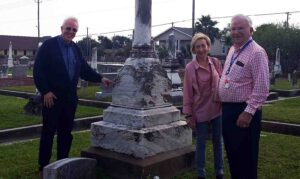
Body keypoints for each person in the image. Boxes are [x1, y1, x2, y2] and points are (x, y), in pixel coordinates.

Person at [33, 17, 113, 174]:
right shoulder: (49, 46)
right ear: (61, 28)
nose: (70, 32)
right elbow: (38, 70)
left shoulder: (76, 49)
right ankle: (43, 166)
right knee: (48, 132)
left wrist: (100, 78)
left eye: (74, 30)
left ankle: (62, 164)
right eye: (68, 28)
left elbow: (84, 70)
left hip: (69, 99)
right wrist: (45, 91)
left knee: (66, 133)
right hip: (52, 98)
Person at [218, 14, 269, 179]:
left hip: (244, 112)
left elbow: (262, 87)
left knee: (246, 159)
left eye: (240, 28)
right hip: (228, 110)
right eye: (233, 28)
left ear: (251, 30)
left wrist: (248, 113)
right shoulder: (233, 49)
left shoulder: (257, 53)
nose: (236, 32)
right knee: (233, 156)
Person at [183, 33, 224, 179]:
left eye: (203, 45)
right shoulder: (189, 68)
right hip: (199, 110)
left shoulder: (216, 63)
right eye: (197, 46)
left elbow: (223, 82)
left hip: (216, 108)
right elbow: (187, 91)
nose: (201, 49)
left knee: (218, 141)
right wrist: (188, 113)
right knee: (201, 143)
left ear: (208, 47)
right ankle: (201, 172)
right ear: (194, 49)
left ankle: (219, 170)